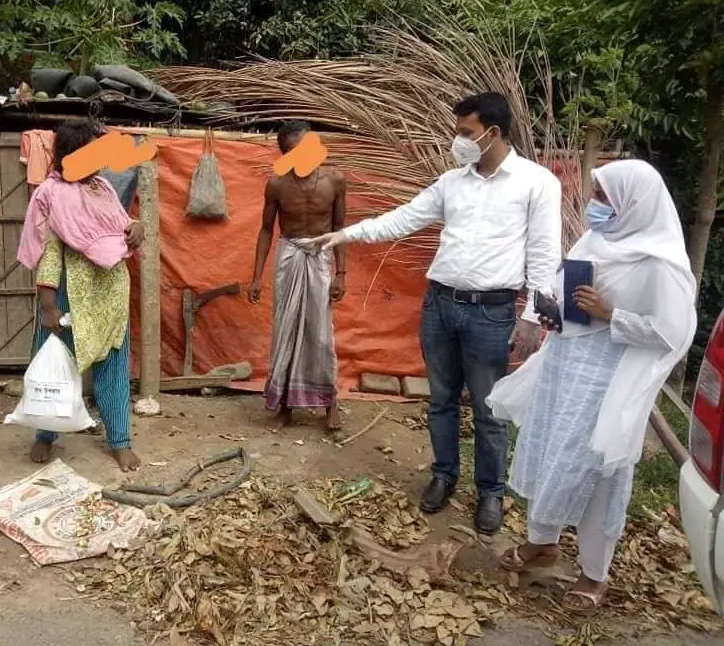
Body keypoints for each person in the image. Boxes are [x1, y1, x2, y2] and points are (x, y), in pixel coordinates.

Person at [307, 93, 561, 534]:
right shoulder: (452, 183)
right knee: (441, 400)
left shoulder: (536, 183)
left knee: (489, 409)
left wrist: (532, 318)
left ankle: (490, 493)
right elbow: (403, 219)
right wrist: (344, 234)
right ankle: (444, 475)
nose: (457, 140)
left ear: (493, 133)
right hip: (440, 306)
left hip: (491, 312)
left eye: (465, 132)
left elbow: (544, 255)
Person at [488, 159, 696, 614]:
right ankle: (542, 543)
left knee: (597, 471)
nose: (594, 205)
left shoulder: (660, 263)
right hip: (565, 366)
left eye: (605, 197)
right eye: (596, 195)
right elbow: (571, 298)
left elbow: (673, 333)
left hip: (608, 380)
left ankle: (593, 573)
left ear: (633, 204)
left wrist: (609, 315)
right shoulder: (594, 239)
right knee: (551, 453)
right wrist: (556, 315)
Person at [17, 120, 144, 472]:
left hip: (111, 291)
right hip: (69, 294)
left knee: (114, 366)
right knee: (53, 365)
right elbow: (49, 252)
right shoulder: (52, 195)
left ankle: (119, 440)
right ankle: (45, 434)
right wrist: (47, 306)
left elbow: (120, 226)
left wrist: (138, 227)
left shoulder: (101, 188)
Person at [248, 120, 347, 432]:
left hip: (319, 257)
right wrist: (256, 276)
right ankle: (285, 407)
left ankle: (330, 403)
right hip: (289, 257)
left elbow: (339, 230)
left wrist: (341, 273)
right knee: (286, 330)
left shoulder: (335, 179)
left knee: (320, 333)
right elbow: (266, 230)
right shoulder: (277, 184)